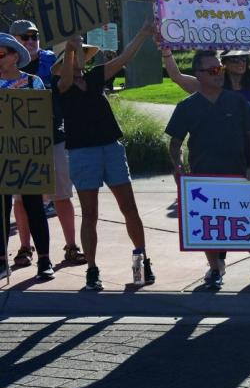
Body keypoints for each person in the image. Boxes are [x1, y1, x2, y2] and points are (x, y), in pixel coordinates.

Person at [165, 50, 250, 290]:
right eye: (212, 70)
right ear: (198, 74)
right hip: (205, 177)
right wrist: (177, 166)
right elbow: (175, 142)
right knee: (209, 225)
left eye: (219, 69)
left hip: (239, 175)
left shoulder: (237, 102)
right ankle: (215, 270)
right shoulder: (187, 107)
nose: (218, 74)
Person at [54, 26, 155, 290]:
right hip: (82, 153)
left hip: (110, 147)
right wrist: (70, 49)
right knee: (90, 214)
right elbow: (66, 80)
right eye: (72, 56)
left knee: (129, 208)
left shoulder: (96, 76)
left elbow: (123, 59)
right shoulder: (60, 86)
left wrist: (143, 33)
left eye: (80, 55)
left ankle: (143, 259)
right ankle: (92, 269)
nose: (77, 60)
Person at [12, 20, 85, 266]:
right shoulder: (6, 68)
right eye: (25, 37)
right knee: (21, 199)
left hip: (54, 137)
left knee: (62, 194)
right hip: (21, 143)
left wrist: (74, 50)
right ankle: (24, 247)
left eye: (34, 36)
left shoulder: (51, 61)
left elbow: (67, 84)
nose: (31, 41)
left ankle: (72, 245)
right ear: (14, 42)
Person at [0, 32, 53, 280]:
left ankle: (44, 260)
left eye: (1, 54)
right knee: (1, 209)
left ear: (14, 56)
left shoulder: (33, 83)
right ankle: (2, 259)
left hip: (30, 158)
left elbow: (43, 119)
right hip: (2, 158)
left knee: (35, 207)